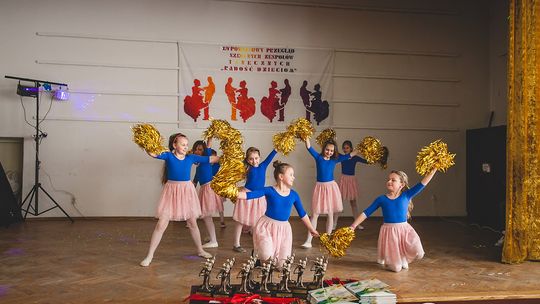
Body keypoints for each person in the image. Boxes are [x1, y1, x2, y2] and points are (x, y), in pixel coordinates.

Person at [139, 133, 219, 267]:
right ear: (174, 145)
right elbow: (153, 153)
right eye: (183, 144)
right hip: (171, 191)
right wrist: (146, 143)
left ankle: (200, 250)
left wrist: (227, 157)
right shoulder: (168, 155)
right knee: (161, 224)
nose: (185, 147)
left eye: (187, 144)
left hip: (186, 191)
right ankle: (149, 255)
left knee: (192, 223)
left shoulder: (191, 157)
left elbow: (210, 159)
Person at [349, 168, 437, 272]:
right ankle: (396, 259)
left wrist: (434, 169)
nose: (389, 181)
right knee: (396, 268)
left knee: (419, 253)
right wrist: (353, 226)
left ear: (402, 184)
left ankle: (403, 257)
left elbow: (423, 183)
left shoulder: (406, 195)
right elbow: (366, 213)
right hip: (389, 232)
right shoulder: (381, 199)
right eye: (388, 179)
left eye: (393, 180)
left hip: (404, 229)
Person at [238, 160, 319, 266]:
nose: (293, 177)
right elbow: (250, 195)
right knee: (266, 256)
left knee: (281, 265)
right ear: (281, 176)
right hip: (266, 226)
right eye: (291, 174)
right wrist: (232, 193)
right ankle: (258, 255)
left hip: (284, 229)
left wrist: (311, 228)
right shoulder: (270, 190)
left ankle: (268, 259)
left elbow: (302, 214)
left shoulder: (294, 195)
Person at [301, 137, 359, 249]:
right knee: (315, 214)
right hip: (320, 187)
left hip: (331, 187)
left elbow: (349, 155)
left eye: (331, 151)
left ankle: (327, 239)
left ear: (334, 152)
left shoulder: (335, 159)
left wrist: (359, 149)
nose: (329, 152)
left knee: (330, 213)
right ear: (324, 149)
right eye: (327, 150)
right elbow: (309, 147)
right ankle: (309, 240)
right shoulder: (318, 157)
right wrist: (306, 137)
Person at [232, 147, 277, 253]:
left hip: (258, 196)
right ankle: (236, 244)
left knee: (258, 221)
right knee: (240, 220)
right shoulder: (247, 168)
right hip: (246, 195)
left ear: (259, 158)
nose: (254, 161)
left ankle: (258, 244)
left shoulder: (263, 165)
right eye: (251, 159)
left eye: (256, 158)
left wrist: (275, 149)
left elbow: (270, 158)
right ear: (247, 160)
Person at [191, 138, 223, 248]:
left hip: (209, 189)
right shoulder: (199, 165)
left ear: (204, 151)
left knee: (207, 216)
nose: (197, 151)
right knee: (207, 216)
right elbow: (195, 180)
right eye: (195, 149)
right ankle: (212, 237)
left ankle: (213, 240)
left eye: (200, 149)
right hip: (204, 189)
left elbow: (208, 145)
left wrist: (210, 135)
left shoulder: (207, 159)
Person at [335, 140, 368, 230]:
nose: (345, 150)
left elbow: (367, 161)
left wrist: (370, 153)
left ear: (351, 148)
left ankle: (357, 224)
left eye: (347, 148)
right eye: (344, 148)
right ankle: (334, 223)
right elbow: (334, 152)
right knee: (339, 203)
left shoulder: (355, 157)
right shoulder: (341, 156)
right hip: (343, 180)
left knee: (353, 203)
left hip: (351, 181)